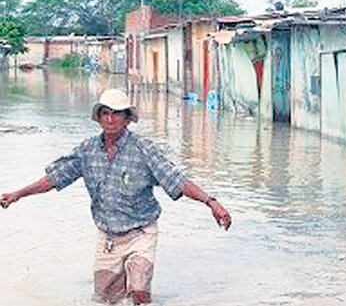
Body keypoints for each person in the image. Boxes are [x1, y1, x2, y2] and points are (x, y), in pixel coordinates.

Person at [0, 88, 232, 305]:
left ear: (128, 118)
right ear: (99, 118)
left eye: (116, 114)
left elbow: (177, 180)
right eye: (105, 113)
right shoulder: (87, 150)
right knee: (105, 299)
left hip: (141, 231)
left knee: (139, 292)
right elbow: (53, 179)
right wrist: (18, 194)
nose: (110, 119)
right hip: (107, 236)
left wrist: (211, 202)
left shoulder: (143, 149)